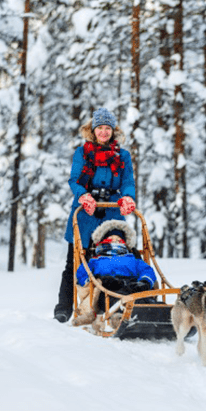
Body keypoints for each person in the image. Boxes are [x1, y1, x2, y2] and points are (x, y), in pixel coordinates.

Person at [54, 107, 136, 323]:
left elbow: (127, 181)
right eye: (99, 127)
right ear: (93, 130)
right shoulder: (83, 153)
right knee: (75, 261)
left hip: (112, 211)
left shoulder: (123, 155)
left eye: (107, 128)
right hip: (85, 213)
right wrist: (83, 196)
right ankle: (64, 307)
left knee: (118, 257)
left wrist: (128, 197)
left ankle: (118, 303)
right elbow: (75, 180)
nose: (103, 132)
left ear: (113, 130)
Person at [73, 220, 157, 326]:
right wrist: (97, 280)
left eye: (119, 240)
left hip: (132, 285)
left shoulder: (132, 258)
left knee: (144, 298)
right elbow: (82, 273)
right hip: (108, 288)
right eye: (111, 239)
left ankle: (160, 312)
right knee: (116, 300)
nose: (115, 242)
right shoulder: (96, 260)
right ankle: (119, 317)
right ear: (103, 241)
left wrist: (144, 281)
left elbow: (147, 270)